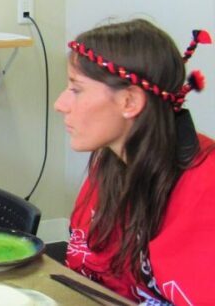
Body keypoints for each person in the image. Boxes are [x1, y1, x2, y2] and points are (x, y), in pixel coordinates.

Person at [54, 19, 214, 304]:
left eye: (76, 89)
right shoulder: (111, 160)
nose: (60, 104)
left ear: (129, 102)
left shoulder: (206, 189)